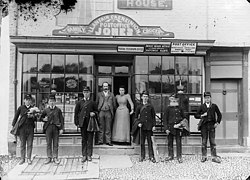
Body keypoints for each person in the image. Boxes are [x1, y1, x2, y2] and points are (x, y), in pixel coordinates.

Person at [194, 92, 222, 163]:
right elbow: (196, 115)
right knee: (204, 141)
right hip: (204, 126)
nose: (207, 99)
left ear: (210, 98)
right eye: (206, 98)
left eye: (208, 97)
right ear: (204, 98)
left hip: (212, 125)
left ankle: (214, 157)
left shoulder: (214, 106)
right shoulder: (201, 106)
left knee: (212, 141)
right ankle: (204, 156)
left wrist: (217, 122)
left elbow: (219, 114)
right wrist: (202, 115)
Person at [74, 86, 98, 162]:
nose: (86, 94)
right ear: (83, 93)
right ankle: (84, 155)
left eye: (87, 92)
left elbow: (97, 111)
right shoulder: (79, 103)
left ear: (89, 93)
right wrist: (77, 123)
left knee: (90, 139)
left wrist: (94, 113)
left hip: (90, 124)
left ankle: (89, 155)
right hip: (83, 124)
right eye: (85, 92)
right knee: (84, 140)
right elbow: (76, 113)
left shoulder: (93, 102)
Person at [164, 94, 189, 163]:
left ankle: (179, 156)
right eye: (172, 99)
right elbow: (165, 119)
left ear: (177, 100)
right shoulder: (167, 109)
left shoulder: (180, 108)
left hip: (178, 128)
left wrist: (179, 125)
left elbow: (184, 118)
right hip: (170, 128)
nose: (173, 100)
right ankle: (170, 155)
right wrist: (166, 128)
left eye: (174, 99)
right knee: (170, 142)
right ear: (170, 100)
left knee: (178, 142)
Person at [12, 94, 37, 165]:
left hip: (30, 128)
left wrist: (33, 116)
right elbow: (16, 117)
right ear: (24, 100)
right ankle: (22, 158)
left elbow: (36, 119)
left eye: (29, 100)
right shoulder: (21, 108)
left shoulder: (33, 108)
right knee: (22, 144)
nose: (28, 101)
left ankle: (28, 158)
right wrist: (14, 127)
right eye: (26, 100)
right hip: (22, 129)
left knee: (30, 144)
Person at [40, 94, 64, 164]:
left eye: (53, 101)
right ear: (48, 102)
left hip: (56, 128)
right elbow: (41, 118)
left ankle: (55, 157)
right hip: (48, 128)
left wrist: (61, 128)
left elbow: (61, 120)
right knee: (48, 143)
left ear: (55, 102)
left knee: (56, 143)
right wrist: (44, 119)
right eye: (50, 101)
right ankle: (49, 157)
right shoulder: (46, 110)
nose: (52, 102)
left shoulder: (58, 110)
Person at [134, 91, 156, 163]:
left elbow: (153, 117)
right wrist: (138, 123)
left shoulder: (151, 106)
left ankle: (151, 156)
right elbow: (135, 117)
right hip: (142, 127)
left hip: (149, 127)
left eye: (146, 96)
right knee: (142, 142)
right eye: (144, 96)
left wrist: (154, 125)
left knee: (150, 142)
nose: (145, 98)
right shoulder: (139, 106)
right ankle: (142, 156)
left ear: (148, 98)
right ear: (141, 97)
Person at [96, 82, 116, 146]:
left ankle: (108, 141)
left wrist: (113, 111)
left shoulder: (111, 94)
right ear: (102, 87)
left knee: (108, 127)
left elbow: (114, 104)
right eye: (104, 86)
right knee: (101, 126)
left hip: (108, 111)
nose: (105, 87)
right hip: (101, 111)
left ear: (108, 87)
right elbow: (96, 102)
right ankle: (100, 140)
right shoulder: (99, 94)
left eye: (106, 86)